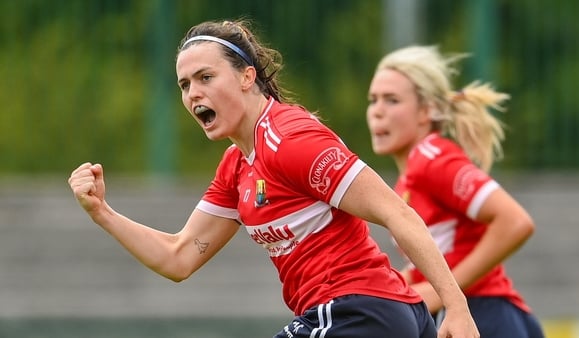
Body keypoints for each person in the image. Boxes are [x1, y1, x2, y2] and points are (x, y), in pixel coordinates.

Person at [68, 20, 479, 338]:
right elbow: (179, 257)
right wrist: (103, 213)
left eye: (206, 77)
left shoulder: (291, 140)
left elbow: (398, 214)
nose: (193, 93)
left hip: (359, 312)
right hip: (373, 315)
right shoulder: (237, 165)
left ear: (247, 77)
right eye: (184, 84)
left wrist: (456, 307)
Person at [366, 45, 546, 338]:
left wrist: (445, 293)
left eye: (392, 100)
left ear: (426, 112)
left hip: (487, 315)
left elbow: (515, 221)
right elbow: (438, 260)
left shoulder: (432, 157)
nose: (377, 112)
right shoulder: (407, 181)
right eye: (373, 100)